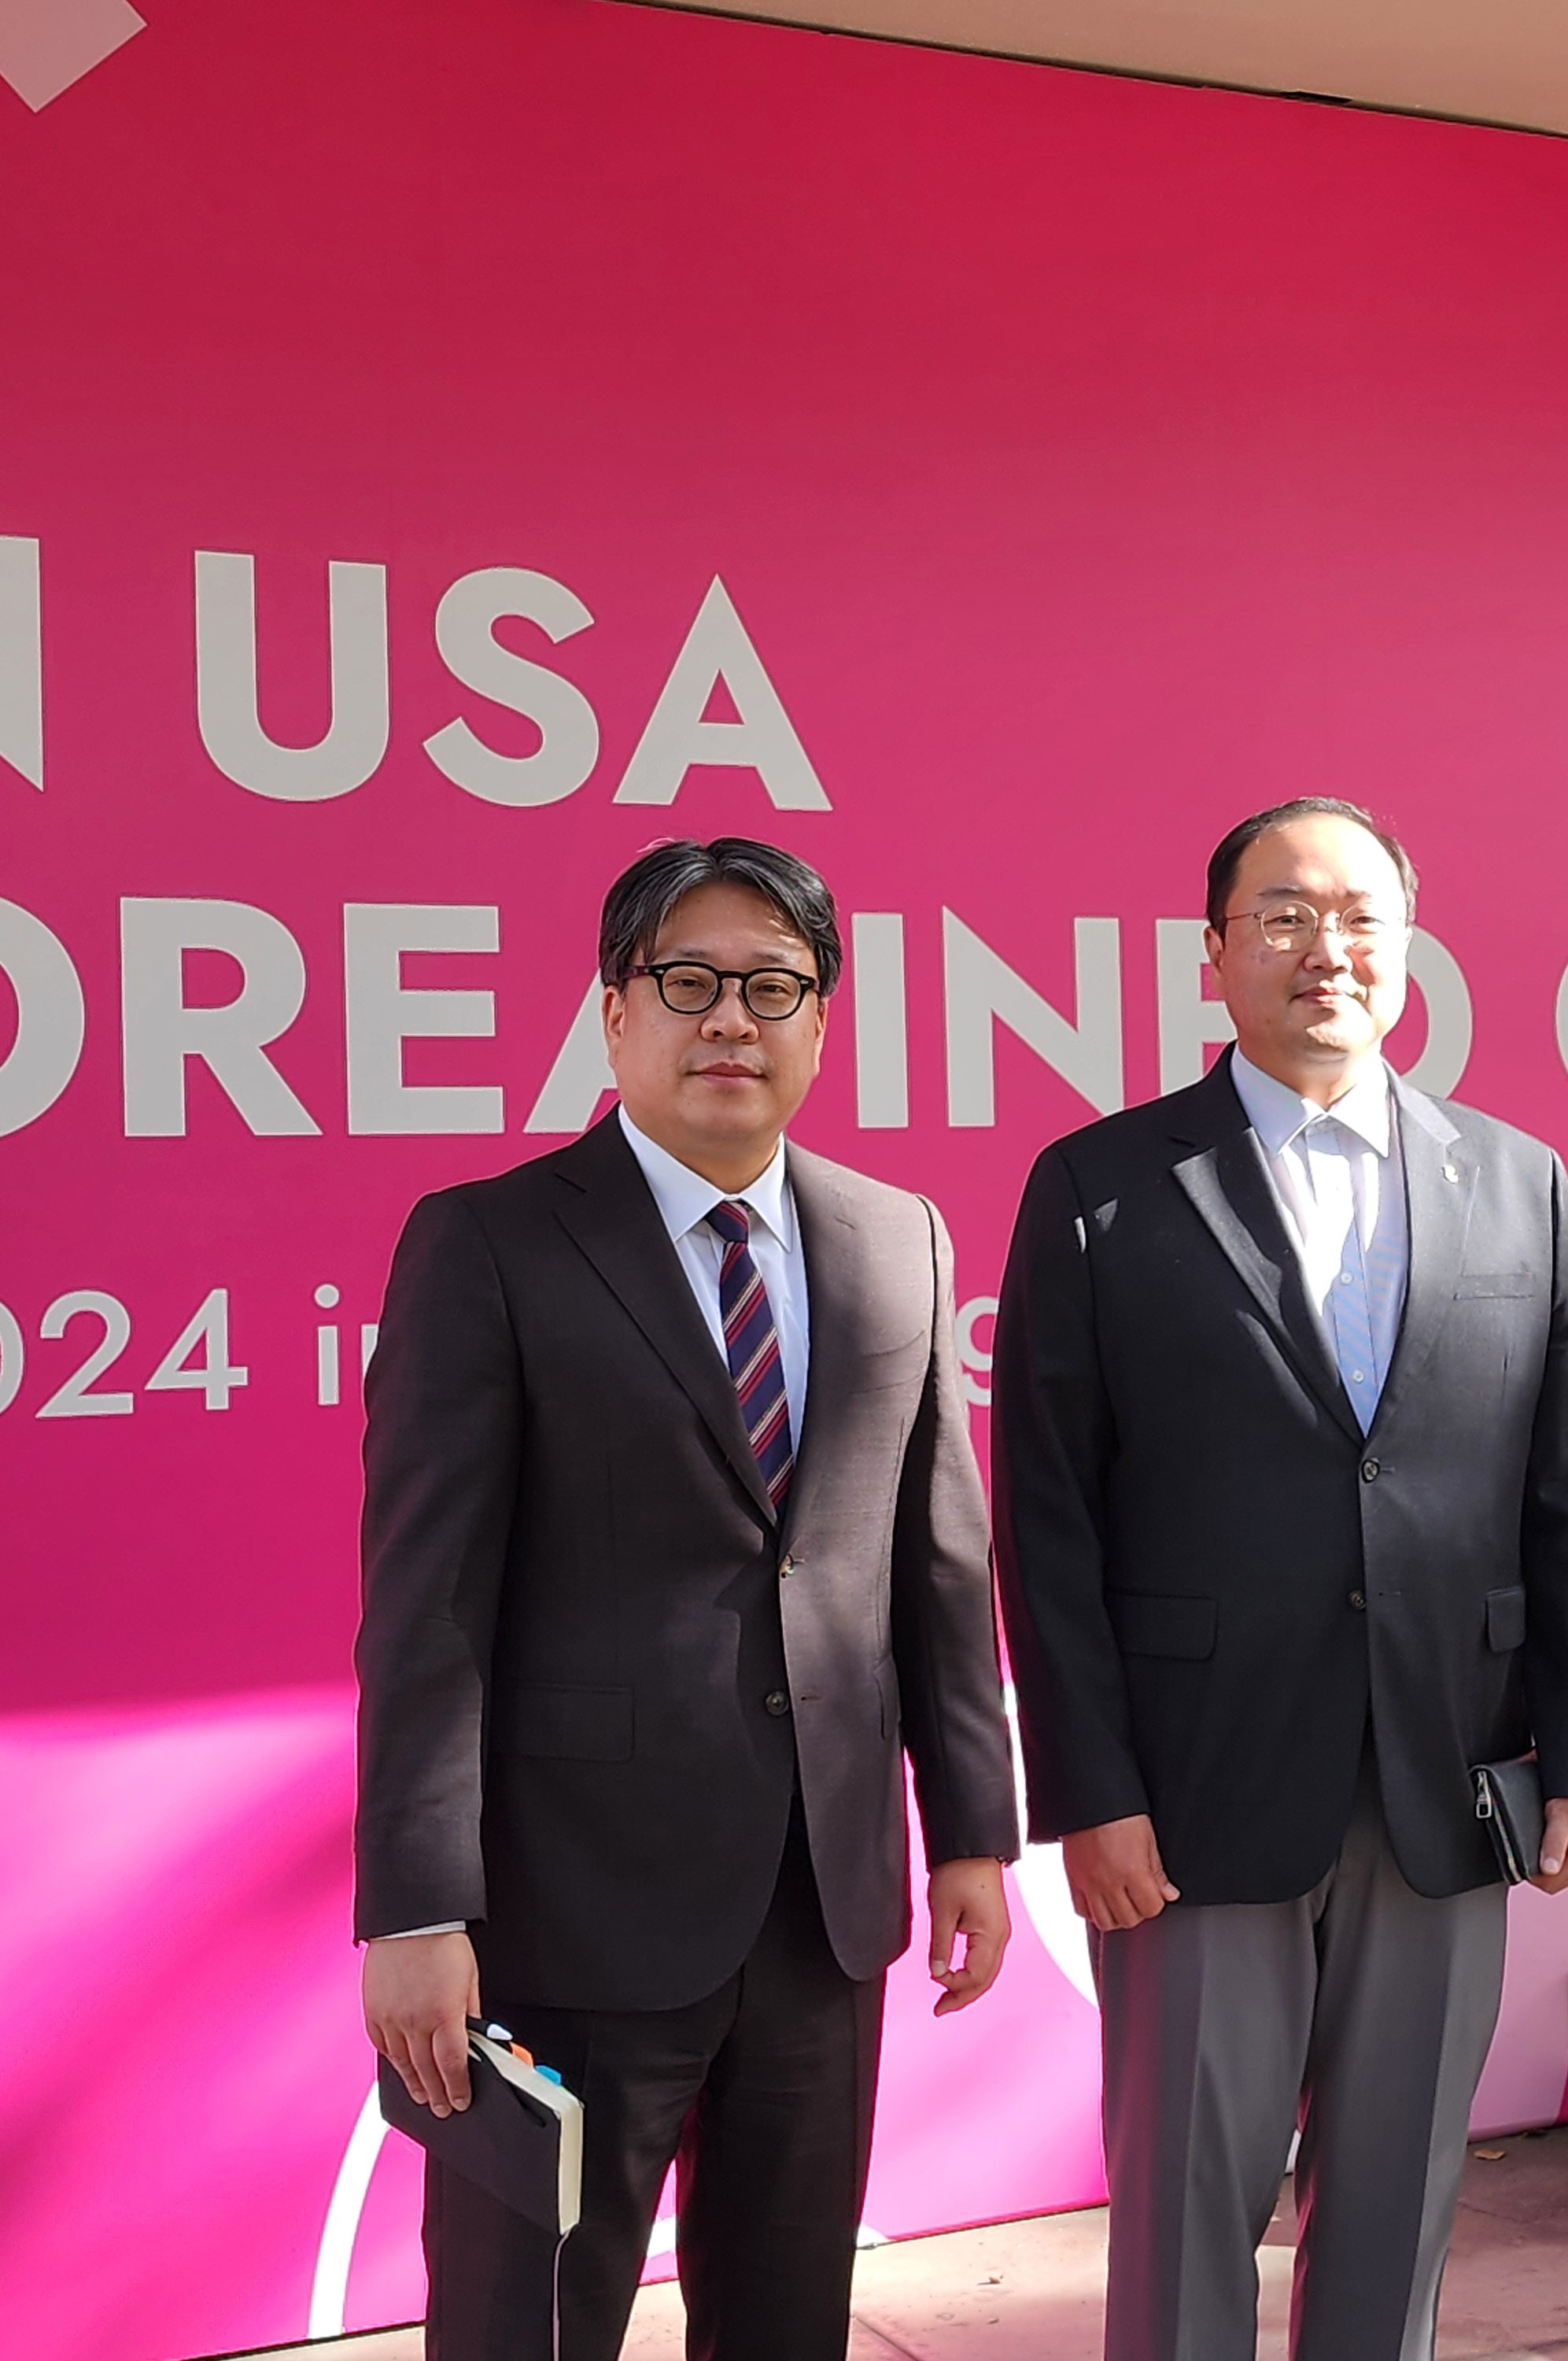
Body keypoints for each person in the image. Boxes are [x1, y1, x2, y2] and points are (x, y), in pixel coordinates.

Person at [355, 837, 1020, 2361]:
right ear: (614, 1012)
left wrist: (969, 1833)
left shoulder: (898, 1239)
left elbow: (938, 1564)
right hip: (565, 1915)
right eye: (689, 981)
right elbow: (424, 1607)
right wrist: (416, 1908)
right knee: (526, 2328)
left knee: (786, 2321)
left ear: (820, 1021)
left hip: (819, 1908)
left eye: (772, 987)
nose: (731, 1018)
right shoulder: (491, 1243)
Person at [991, 797, 1568, 2361]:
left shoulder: (1520, 1181)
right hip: (1193, 1796)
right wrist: (1089, 1793)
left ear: (1408, 950)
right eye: (1281, 915)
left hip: (1445, 1777)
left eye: (1358, 917)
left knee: (1398, 2209)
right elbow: (1047, 1520)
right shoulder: (1100, 1185)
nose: (1323, 948)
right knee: (1183, 2216)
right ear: (1212, 954)